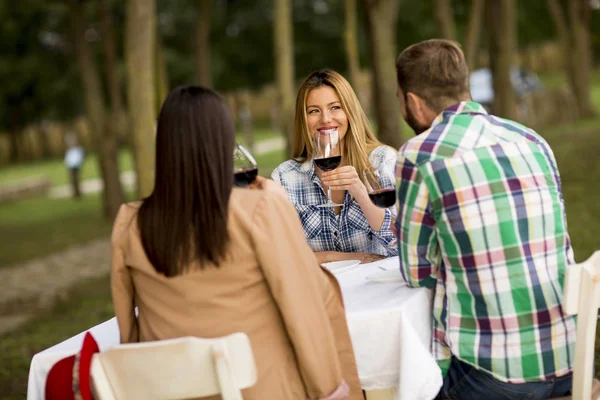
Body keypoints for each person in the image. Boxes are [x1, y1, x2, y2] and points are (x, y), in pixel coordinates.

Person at [111, 86, 362, 399]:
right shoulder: (259, 210)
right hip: (262, 390)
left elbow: (128, 331)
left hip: (173, 392)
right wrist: (333, 393)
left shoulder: (129, 222)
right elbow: (305, 313)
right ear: (223, 142)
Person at [393, 39, 576, 399]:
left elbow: (416, 272)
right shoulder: (532, 140)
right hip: (570, 356)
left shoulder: (420, 154)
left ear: (412, 101)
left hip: (498, 376)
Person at [272, 69, 397, 265]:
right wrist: (339, 257)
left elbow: (401, 245)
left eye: (335, 107)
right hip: (320, 292)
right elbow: (281, 258)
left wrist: (361, 194)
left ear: (349, 112)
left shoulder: (381, 161)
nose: (326, 119)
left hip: (379, 289)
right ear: (304, 120)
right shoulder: (285, 177)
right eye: (314, 111)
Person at [63, 132, 84, 199]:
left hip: (76, 166)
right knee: (73, 180)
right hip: (71, 167)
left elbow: (80, 157)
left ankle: (78, 192)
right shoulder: (69, 150)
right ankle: (75, 193)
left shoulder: (78, 149)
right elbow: (67, 159)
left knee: (77, 179)